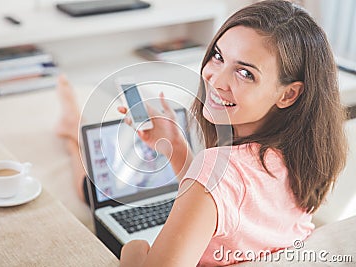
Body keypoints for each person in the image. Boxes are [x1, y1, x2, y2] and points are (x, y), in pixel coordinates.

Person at [58, 0, 348, 266]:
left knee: (92, 193)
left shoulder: (218, 169)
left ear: (289, 94)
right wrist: (175, 147)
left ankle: (72, 134)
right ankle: (72, 131)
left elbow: (220, 187)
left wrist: (132, 251)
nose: (215, 79)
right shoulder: (306, 158)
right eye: (219, 56)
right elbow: (227, 205)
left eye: (245, 73)